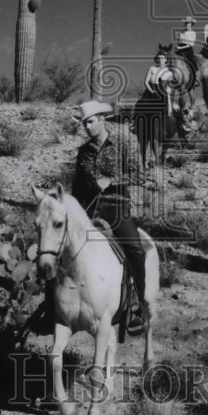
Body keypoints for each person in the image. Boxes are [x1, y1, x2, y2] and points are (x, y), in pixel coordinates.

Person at [71, 100, 149, 335]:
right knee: (60, 246)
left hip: (117, 207)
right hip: (89, 209)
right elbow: (77, 187)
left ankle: (139, 308)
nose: (87, 127)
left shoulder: (125, 142)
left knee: (134, 248)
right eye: (84, 123)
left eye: (91, 122)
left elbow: (140, 175)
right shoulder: (83, 152)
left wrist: (112, 181)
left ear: (102, 120)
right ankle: (52, 305)